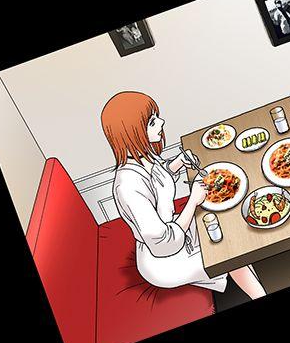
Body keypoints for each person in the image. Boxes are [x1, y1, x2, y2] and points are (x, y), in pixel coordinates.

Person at [100, 88, 265, 302]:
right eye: (152, 122)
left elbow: (158, 181)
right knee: (229, 253)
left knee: (226, 224)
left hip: (177, 229)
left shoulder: (142, 157)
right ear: (131, 132)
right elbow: (163, 244)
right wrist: (192, 202)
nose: (161, 123)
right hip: (164, 261)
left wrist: (178, 163)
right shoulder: (127, 186)